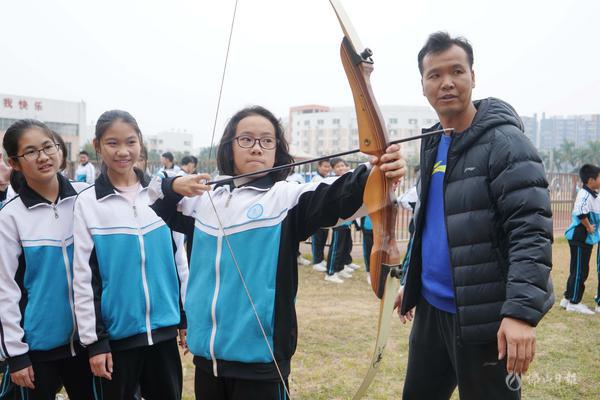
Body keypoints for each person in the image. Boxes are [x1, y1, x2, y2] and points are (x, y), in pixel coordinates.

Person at [149, 105, 405, 399]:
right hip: (206, 361)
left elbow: (342, 193)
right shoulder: (202, 201)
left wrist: (379, 171)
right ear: (229, 146)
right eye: (246, 139)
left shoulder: (286, 198)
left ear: (277, 149)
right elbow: (152, 196)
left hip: (262, 365)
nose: (257, 147)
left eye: (267, 140)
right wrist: (174, 183)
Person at [394, 32, 554, 399]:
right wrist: (412, 280)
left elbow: (530, 231)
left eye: (456, 71)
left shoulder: (505, 143)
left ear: (473, 76)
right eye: (435, 74)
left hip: (485, 319)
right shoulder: (433, 142)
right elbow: (426, 222)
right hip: (431, 311)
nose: (446, 82)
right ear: (423, 85)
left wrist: (520, 313)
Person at [72, 110, 188, 399]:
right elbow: (84, 278)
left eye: (131, 142)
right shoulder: (88, 203)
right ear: (97, 146)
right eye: (112, 143)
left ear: (140, 143)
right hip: (117, 339)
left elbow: (180, 261)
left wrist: (185, 317)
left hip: (164, 333)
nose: (123, 151)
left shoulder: (161, 194)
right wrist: (95, 342)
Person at [0, 120, 94, 399]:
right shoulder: (10, 217)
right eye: (30, 152)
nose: (43, 157)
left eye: (47, 147)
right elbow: (5, 289)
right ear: (14, 163)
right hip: (36, 349)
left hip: (89, 343)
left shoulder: (86, 197)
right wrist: (16, 353)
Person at [561, 164, 600, 314]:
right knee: (580, 271)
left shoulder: (592, 194)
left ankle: (567, 298)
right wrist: (589, 226)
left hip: (584, 239)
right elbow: (580, 212)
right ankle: (574, 302)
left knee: (576, 270)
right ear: (591, 180)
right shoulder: (585, 194)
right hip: (580, 238)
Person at [324, 158, 360, 283]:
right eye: (337, 166)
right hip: (339, 220)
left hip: (347, 220)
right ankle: (330, 272)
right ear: (333, 169)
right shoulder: (333, 181)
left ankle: (340, 268)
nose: (341, 168)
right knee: (336, 248)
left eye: (342, 165)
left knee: (345, 246)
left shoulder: (348, 179)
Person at [310, 160, 331, 272]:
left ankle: (321, 259)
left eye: (328, 167)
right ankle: (316, 261)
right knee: (317, 238)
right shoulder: (316, 179)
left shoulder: (325, 178)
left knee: (323, 237)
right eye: (325, 166)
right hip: (317, 213)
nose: (327, 169)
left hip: (324, 213)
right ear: (319, 167)